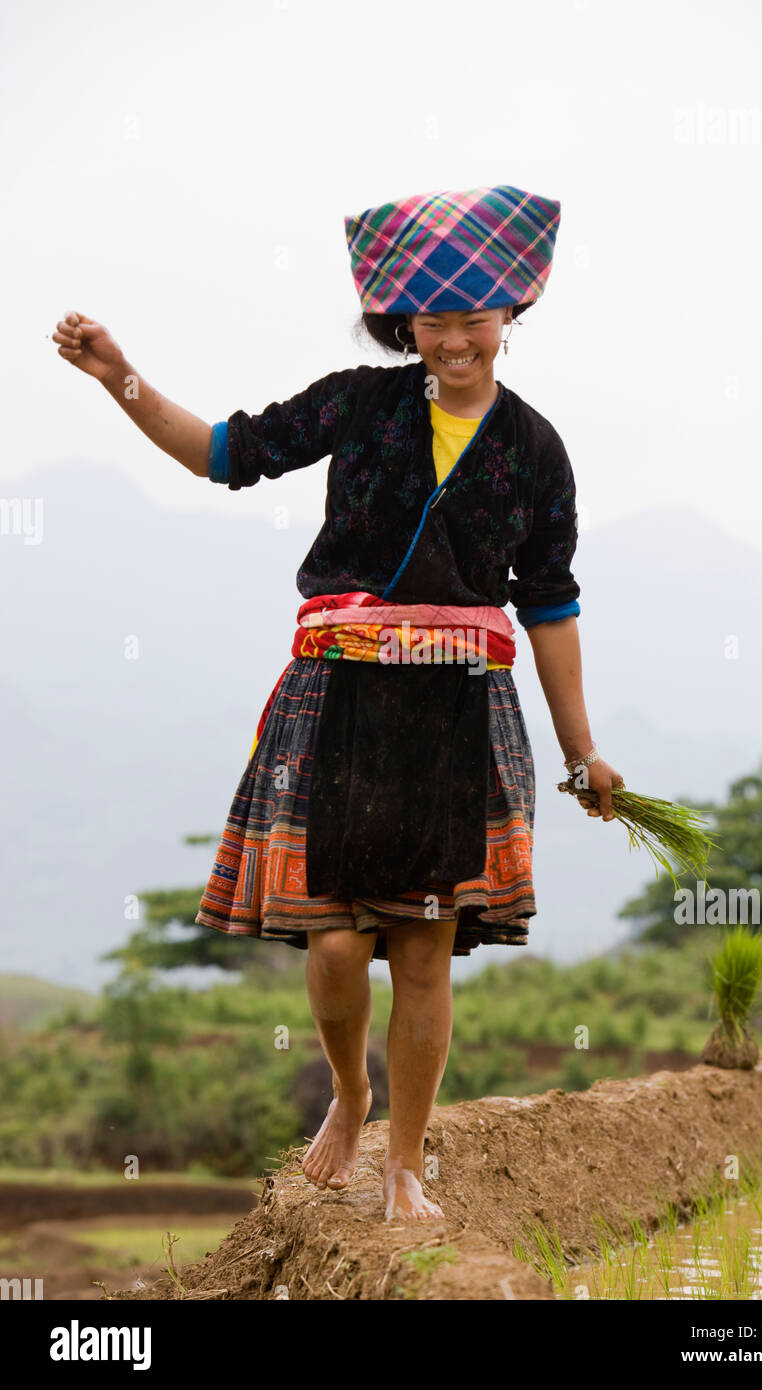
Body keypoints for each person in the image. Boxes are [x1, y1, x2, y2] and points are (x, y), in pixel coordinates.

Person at [51, 183, 624, 1223]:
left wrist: (584, 754)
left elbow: (548, 604)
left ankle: (404, 1160)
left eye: (473, 315)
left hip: (459, 704)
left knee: (421, 942)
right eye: (434, 319)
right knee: (331, 937)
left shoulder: (535, 449)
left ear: (509, 319)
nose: (453, 337)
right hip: (339, 689)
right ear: (403, 323)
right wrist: (116, 376)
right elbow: (224, 452)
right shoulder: (359, 405)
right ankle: (350, 1094)